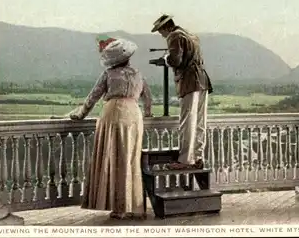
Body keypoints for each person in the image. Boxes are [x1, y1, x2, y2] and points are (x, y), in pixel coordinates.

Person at [68, 35, 152, 220]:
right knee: (130, 160)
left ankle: (118, 207)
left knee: (115, 160)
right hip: (134, 116)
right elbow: (148, 98)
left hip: (114, 114)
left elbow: (93, 97)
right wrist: (147, 113)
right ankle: (132, 205)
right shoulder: (138, 73)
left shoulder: (109, 74)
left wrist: (80, 114)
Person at [151, 14, 213, 170]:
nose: (161, 34)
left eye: (160, 31)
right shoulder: (190, 35)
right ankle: (198, 157)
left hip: (189, 81)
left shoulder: (174, 36)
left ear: (166, 27)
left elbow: (176, 60)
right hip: (202, 80)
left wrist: (165, 59)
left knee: (187, 121)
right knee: (199, 122)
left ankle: (185, 160)